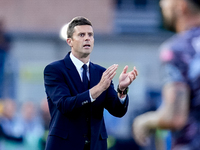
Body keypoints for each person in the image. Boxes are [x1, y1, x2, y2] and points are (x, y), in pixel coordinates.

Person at [44, 16, 138, 150]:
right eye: (81, 35)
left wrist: (122, 90)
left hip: (96, 146)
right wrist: (99, 88)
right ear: (69, 41)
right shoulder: (54, 70)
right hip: (64, 146)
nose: (87, 38)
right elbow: (65, 104)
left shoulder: (101, 73)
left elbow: (117, 110)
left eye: (90, 35)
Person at [132, 0, 200, 150]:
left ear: (181, 6)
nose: (162, 4)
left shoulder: (178, 49)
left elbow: (174, 117)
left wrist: (144, 121)